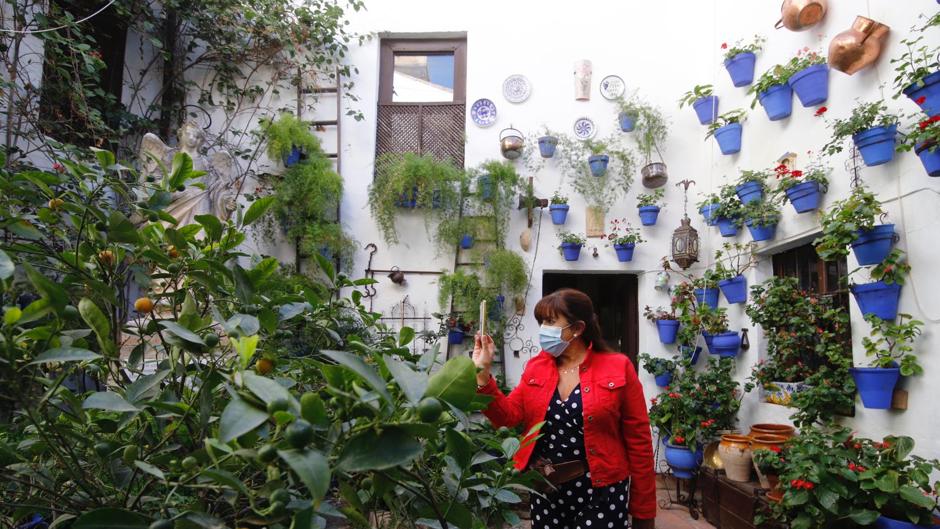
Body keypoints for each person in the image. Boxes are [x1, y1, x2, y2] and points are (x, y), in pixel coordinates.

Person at [473, 288, 656, 528]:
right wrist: (483, 373)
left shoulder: (618, 367)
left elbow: (639, 441)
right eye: (541, 322)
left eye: (550, 321)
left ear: (578, 329)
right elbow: (507, 417)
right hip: (548, 489)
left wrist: (644, 511)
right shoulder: (536, 367)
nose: (543, 330)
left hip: (602, 491)